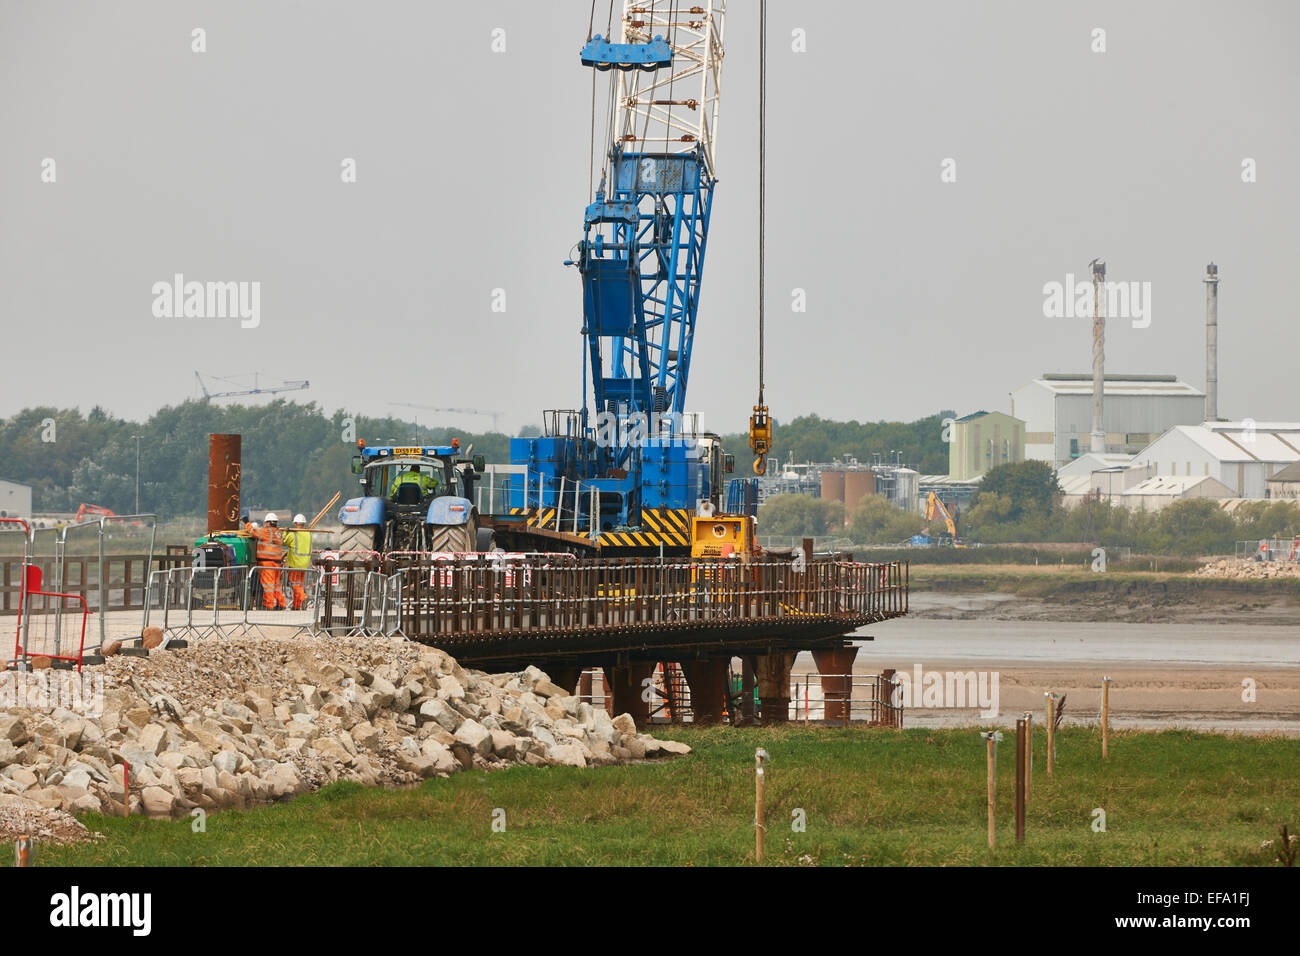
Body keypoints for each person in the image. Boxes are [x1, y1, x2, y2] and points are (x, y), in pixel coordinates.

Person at [256, 513, 288, 610]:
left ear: (268, 522)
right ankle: (281, 603)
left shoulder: (265, 531)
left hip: (267, 562)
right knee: (276, 584)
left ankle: (269, 605)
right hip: (277, 562)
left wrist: (246, 522)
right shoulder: (278, 532)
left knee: (268, 584)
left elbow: (252, 532)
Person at [284, 513, 312, 611]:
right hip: (304, 564)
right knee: (299, 585)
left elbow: (284, 542)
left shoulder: (293, 534)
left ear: (295, 523)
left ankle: (303, 597)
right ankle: (296, 605)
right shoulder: (309, 534)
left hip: (295, 563)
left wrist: (285, 533)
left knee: (295, 584)